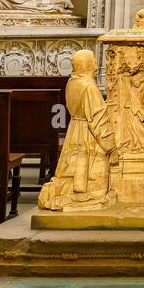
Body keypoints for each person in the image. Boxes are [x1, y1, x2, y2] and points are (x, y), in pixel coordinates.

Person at [37, 50, 116, 211]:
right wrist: (110, 146)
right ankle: (85, 195)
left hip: (75, 129)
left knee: (73, 167)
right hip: (87, 132)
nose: (96, 63)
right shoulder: (89, 87)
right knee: (87, 169)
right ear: (87, 64)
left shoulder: (72, 82)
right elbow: (97, 117)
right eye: (93, 59)